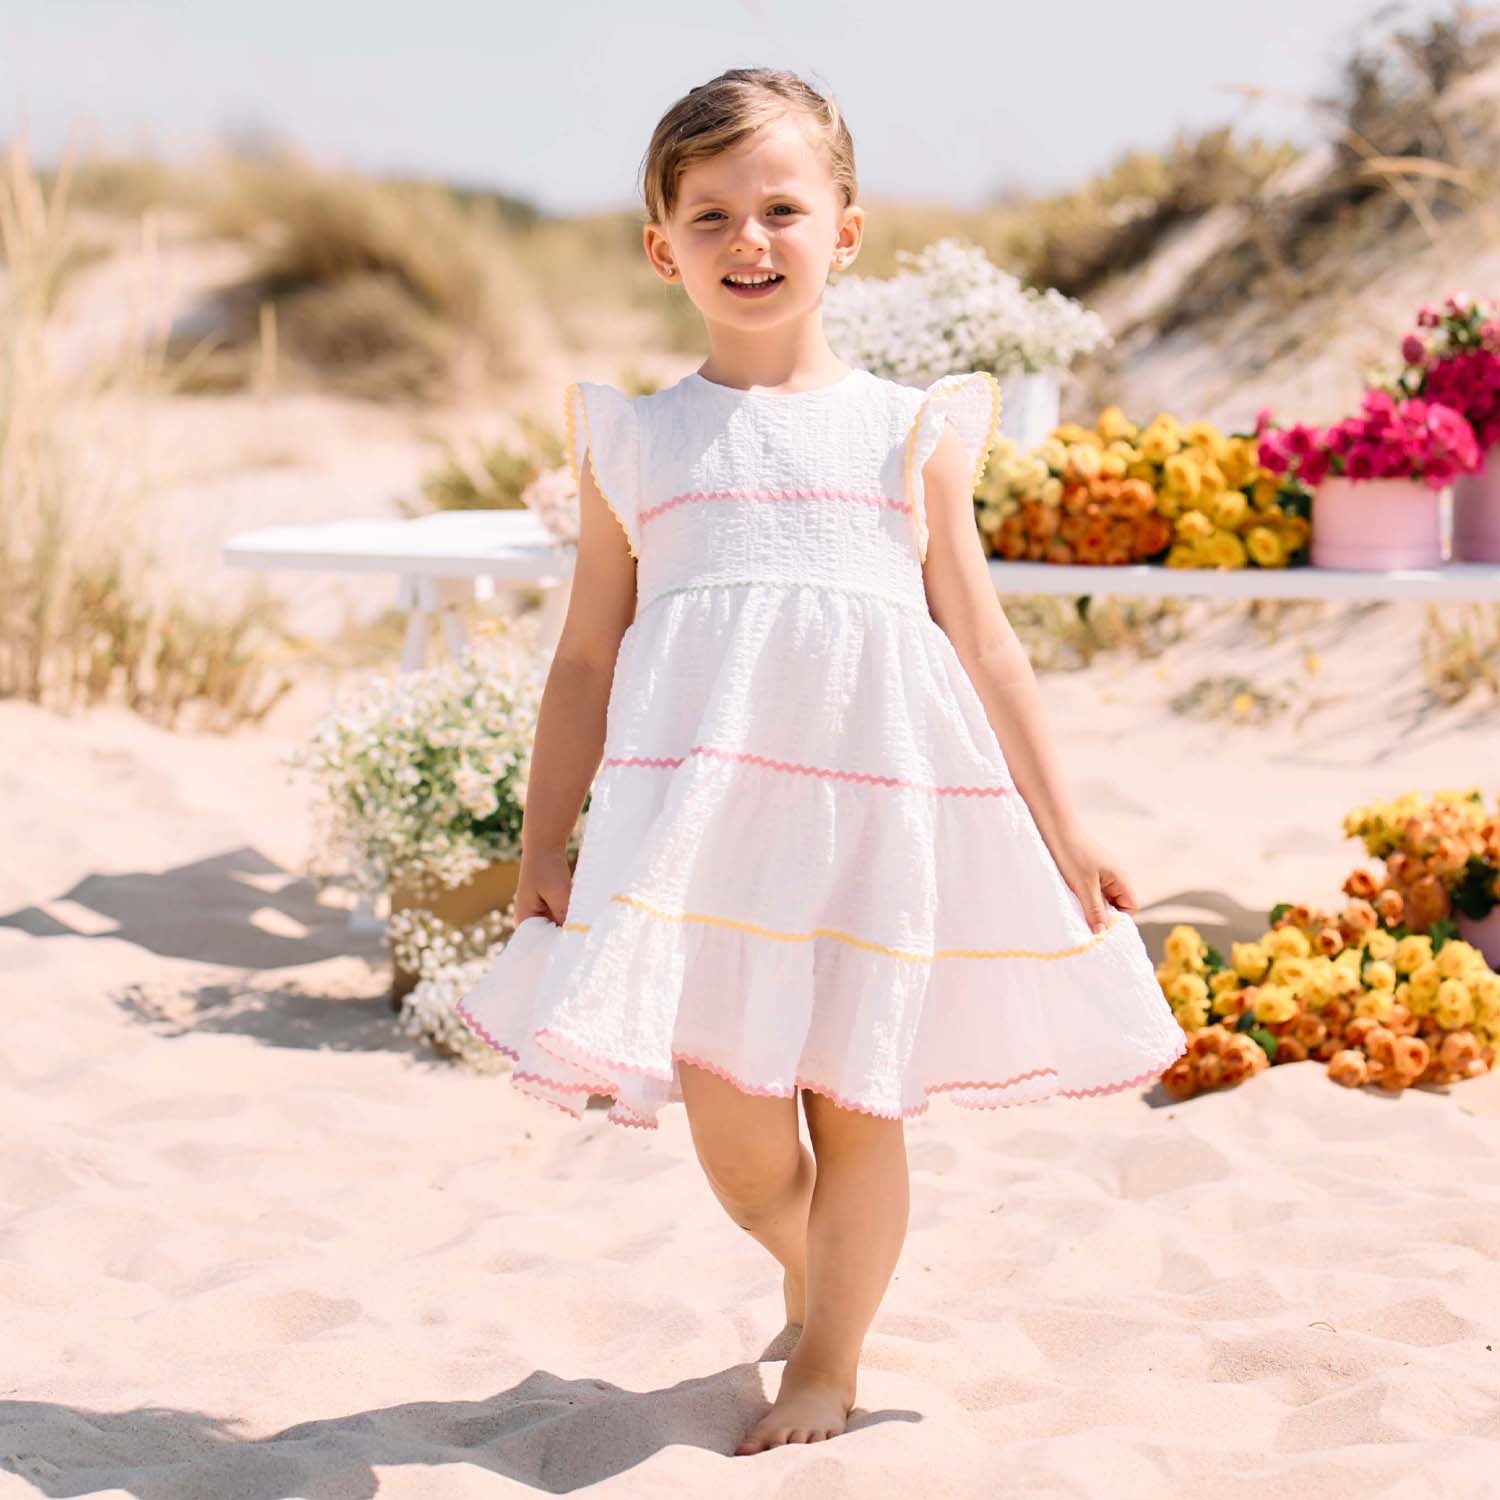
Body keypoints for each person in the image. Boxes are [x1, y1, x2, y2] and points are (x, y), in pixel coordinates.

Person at [456, 65, 1187, 1455]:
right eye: (711, 213)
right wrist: (544, 843)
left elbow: (986, 648)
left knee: (858, 1107)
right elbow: (584, 663)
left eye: (782, 208)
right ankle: (804, 1268)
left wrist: (1064, 831)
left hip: (879, 830)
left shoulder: (908, 431)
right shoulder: (640, 440)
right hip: (704, 840)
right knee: (738, 1141)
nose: (749, 240)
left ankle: (830, 1360)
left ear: (845, 231)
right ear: (660, 246)